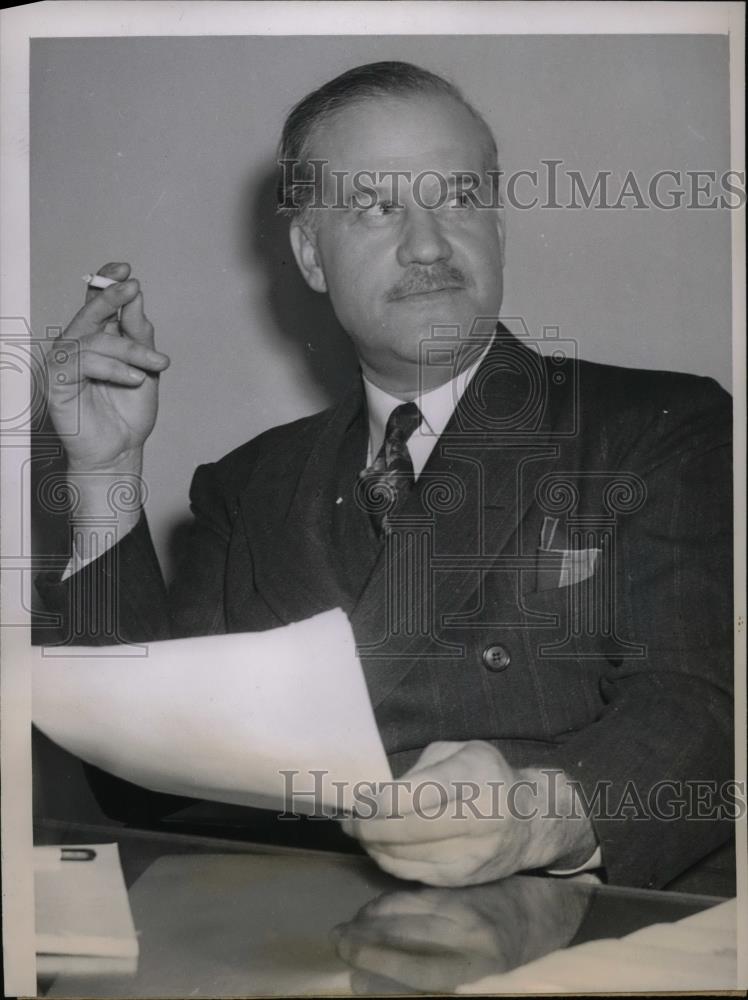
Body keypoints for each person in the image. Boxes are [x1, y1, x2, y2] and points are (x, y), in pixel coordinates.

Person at [37, 61, 733, 891]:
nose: (429, 243)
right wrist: (106, 472)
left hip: (572, 932)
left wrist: (538, 817)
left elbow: (696, 711)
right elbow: (145, 772)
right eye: (374, 207)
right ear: (310, 255)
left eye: (459, 198)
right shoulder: (248, 485)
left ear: (499, 228)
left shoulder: (655, 427)